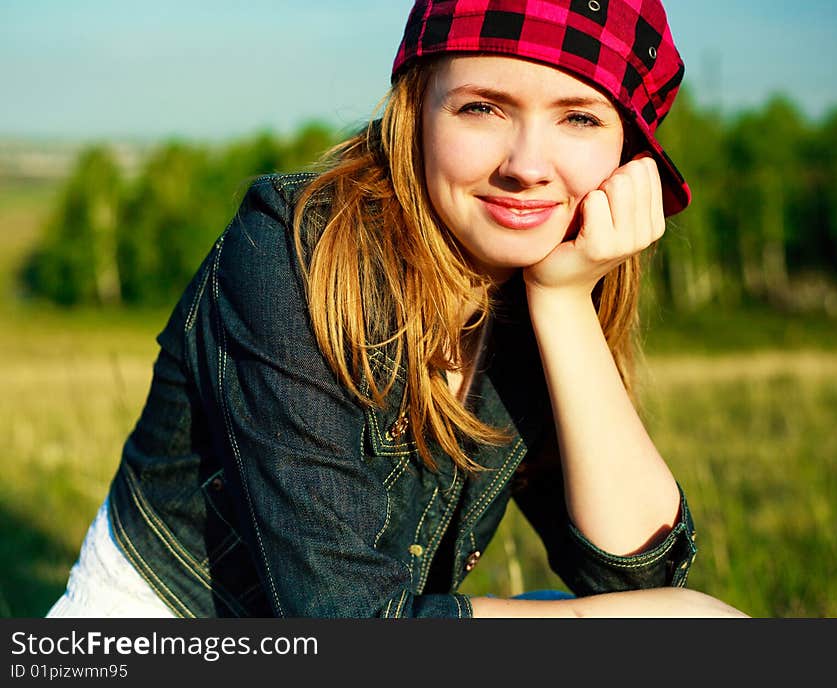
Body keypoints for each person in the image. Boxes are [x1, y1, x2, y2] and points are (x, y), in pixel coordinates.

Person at [47, 0, 747, 619]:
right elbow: (344, 622)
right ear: (416, 109)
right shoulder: (292, 249)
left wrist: (562, 305)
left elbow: (638, 575)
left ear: (628, 154)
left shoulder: (543, 277)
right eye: (483, 107)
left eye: (578, 117)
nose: (528, 164)